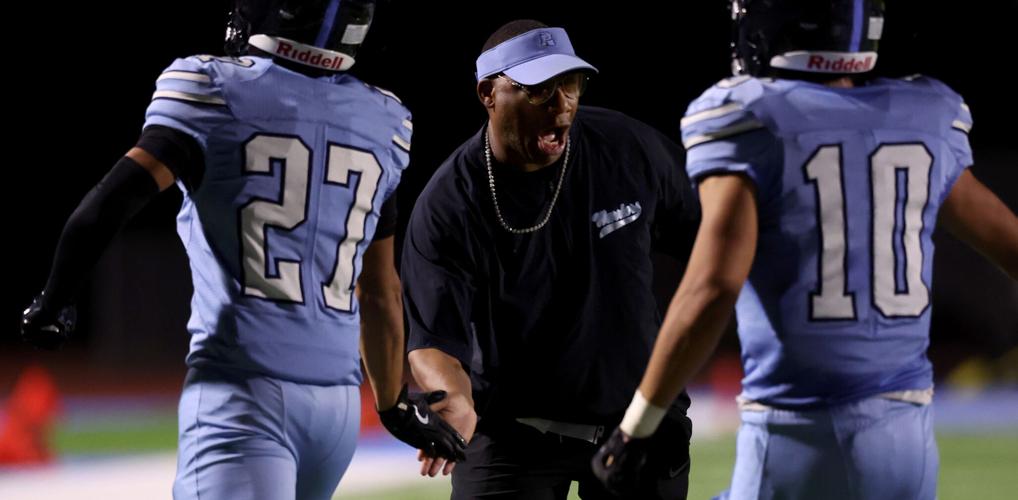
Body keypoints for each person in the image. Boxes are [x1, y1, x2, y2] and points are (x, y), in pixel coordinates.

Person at [19, 1, 466, 499]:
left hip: (243, 394)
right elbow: (380, 290)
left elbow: (110, 203)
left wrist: (54, 299)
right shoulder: (383, 120)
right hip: (337, 410)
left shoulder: (213, 87)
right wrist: (392, 404)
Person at [592, 0, 1018, 499]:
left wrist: (636, 426)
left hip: (798, 432)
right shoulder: (923, 117)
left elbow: (713, 286)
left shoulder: (750, 116)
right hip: (909, 440)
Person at [401, 19, 701, 499]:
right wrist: (453, 399)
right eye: (539, 90)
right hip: (512, 430)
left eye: (571, 84)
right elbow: (433, 340)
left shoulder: (628, 149)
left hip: (638, 418)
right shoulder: (449, 205)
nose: (562, 104)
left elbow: (713, 245)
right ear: (488, 93)